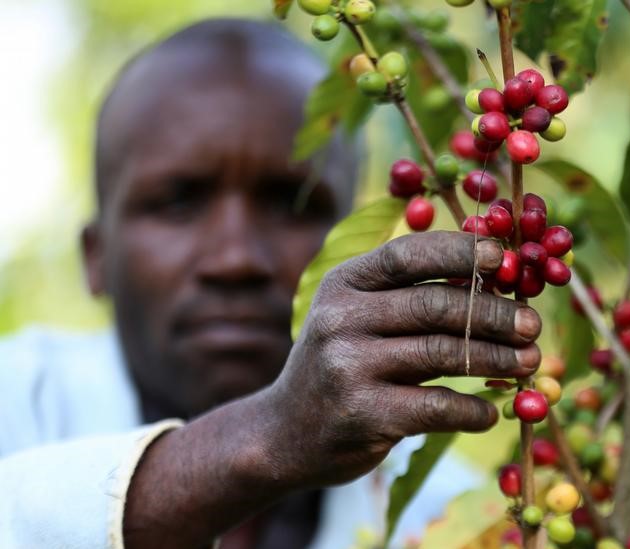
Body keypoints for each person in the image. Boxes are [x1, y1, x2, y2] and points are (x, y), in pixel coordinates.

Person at [0, 18, 542, 549]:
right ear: (96, 257)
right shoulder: (18, 401)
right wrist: (266, 439)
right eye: (178, 202)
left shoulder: (454, 522)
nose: (235, 258)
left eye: (292, 203)